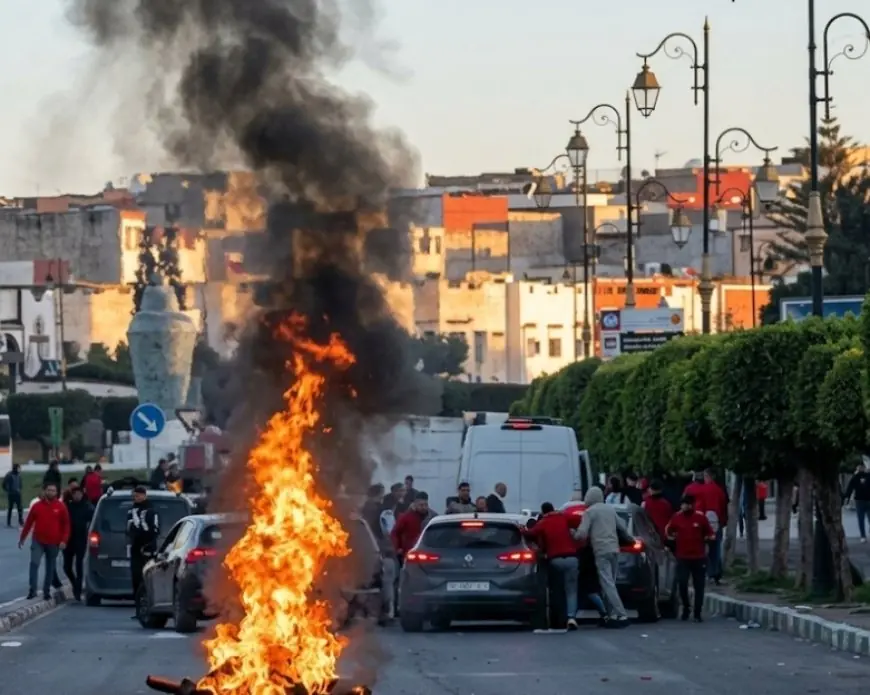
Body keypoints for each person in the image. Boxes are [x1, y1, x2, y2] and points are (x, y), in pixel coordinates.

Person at [573, 487, 632, 628]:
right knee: (611, 583)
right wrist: (631, 539)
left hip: (601, 550)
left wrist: (572, 533)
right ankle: (612, 616)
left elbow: (581, 534)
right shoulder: (610, 509)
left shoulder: (589, 512)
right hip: (614, 549)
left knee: (607, 584)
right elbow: (622, 528)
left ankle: (621, 614)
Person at [522, 501, 582, 630]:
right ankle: (571, 617)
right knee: (572, 590)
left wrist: (520, 529)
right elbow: (578, 520)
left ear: (543, 512)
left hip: (556, 559)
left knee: (557, 587)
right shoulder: (564, 517)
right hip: (572, 558)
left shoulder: (544, 522)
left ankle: (557, 614)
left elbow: (531, 533)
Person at [666, 495, 715, 622]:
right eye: (683, 504)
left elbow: (710, 533)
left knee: (699, 586)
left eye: (687, 504)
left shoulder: (700, 518)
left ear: (692, 505)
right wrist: (672, 542)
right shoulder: (676, 517)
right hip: (682, 557)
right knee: (682, 583)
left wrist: (708, 539)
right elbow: (669, 532)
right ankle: (686, 608)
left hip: (699, 557)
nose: (685, 506)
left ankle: (697, 612)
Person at [19, 483, 69, 600]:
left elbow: (66, 525)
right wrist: (22, 538)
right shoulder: (37, 506)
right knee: (34, 563)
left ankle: (46, 591)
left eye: (53, 490)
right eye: (49, 490)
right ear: (45, 491)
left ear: (56, 493)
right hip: (38, 540)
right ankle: (32, 590)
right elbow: (28, 523)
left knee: (50, 567)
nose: (51, 492)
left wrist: (64, 540)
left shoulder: (61, 507)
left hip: (54, 542)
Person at [684, 469, 728, 583]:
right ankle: (716, 572)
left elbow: (698, 506)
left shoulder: (699, 490)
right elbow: (723, 506)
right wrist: (723, 521)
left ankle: (704, 572)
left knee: (701, 548)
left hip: (702, 522)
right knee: (715, 548)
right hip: (716, 521)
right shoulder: (719, 490)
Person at [127, 485, 160, 614]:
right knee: (136, 577)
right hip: (136, 549)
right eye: (135, 496)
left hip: (148, 549)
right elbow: (129, 528)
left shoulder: (151, 511)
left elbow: (155, 530)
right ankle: (139, 607)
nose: (137, 498)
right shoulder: (131, 511)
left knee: (148, 577)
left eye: (139, 495)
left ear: (144, 495)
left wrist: (148, 543)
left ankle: (149, 606)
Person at [63, 484, 93, 601]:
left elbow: (93, 520)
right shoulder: (68, 507)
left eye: (79, 494)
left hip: (81, 539)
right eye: (75, 494)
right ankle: (75, 583)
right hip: (68, 540)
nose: (77, 496)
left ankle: (78, 590)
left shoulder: (87, 507)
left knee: (79, 565)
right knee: (67, 567)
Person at [391, 492, 437, 565]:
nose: (424, 507)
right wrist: (398, 548)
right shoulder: (406, 517)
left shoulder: (432, 517)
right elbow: (395, 533)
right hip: (410, 553)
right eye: (421, 505)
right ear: (415, 504)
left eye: (426, 505)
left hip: (428, 551)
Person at [844, 461, 870, 542]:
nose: (861, 468)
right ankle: (863, 535)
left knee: (864, 518)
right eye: (860, 467)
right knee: (861, 519)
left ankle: (863, 536)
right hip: (860, 501)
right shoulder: (856, 477)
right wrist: (847, 497)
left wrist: (847, 497)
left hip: (866, 500)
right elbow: (850, 488)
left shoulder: (867, 476)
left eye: (862, 467)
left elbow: (850, 488)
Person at [3, 463, 23, 527]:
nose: (19, 469)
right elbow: (4, 484)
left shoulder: (19, 475)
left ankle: (21, 521)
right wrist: (8, 490)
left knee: (20, 508)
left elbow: (20, 483)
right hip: (11, 494)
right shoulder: (9, 475)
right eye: (18, 468)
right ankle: (8, 522)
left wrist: (19, 489)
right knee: (10, 508)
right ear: (15, 468)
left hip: (18, 494)